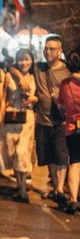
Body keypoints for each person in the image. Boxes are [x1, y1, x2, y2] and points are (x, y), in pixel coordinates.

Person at [0, 49, 38, 203]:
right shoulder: (9, 76)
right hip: (11, 117)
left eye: (27, 59)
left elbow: (40, 98)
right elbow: (4, 99)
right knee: (13, 153)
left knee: (23, 153)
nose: (24, 63)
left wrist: (34, 99)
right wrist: (0, 120)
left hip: (27, 120)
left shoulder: (35, 77)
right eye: (20, 60)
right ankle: (21, 187)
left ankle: (23, 190)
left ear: (32, 60)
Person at [33, 35, 70, 205]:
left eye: (52, 49)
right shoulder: (39, 68)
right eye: (46, 48)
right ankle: (56, 187)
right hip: (42, 119)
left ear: (60, 51)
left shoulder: (67, 71)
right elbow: (17, 68)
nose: (48, 51)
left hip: (61, 121)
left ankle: (60, 188)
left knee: (61, 156)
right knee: (48, 156)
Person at [58, 49, 80, 214]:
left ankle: (73, 199)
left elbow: (61, 104)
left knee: (75, 163)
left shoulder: (65, 84)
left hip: (73, 127)